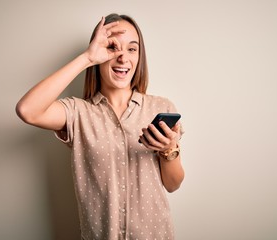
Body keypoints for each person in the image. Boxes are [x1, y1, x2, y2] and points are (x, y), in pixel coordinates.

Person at [16, 13, 185, 240]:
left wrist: (169, 150)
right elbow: (27, 110)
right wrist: (87, 57)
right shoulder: (79, 113)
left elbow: (173, 184)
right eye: (112, 47)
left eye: (132, 49)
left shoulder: (160, 107)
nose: (123, 58)